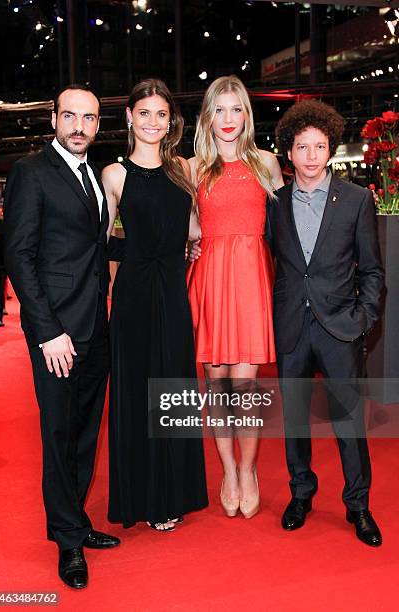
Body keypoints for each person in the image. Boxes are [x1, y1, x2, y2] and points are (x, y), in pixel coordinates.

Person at [4, 84, 120, 590]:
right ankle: (67, 541)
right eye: (70, 116)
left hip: (95, 324)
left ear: (97, 124)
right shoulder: (32, 172)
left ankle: (76, 520)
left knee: (84, 431)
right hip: (56, 332)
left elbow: (92, 250)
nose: (79, 126)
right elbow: (19, 256)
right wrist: (48, 331)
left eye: (89, 118)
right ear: (53, 118)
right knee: (57, 434)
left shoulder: (93, 175)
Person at [268, 99, 384, 546]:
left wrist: (364, 318)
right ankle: (302, 493)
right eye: (302, 146)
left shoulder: (357, 198)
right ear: (289, 153)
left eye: (319, 146)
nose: (312, 155)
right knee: (295, 418)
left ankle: (358, 506)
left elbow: (372, 270)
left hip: (341, 328)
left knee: (349, 423)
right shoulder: (273, 203)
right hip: (292, 327)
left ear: (331, 149)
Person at [102, 79, 208, 532]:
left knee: (174, 386)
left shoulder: (183, 168)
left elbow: (195, 229)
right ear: (129, 117)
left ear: (170, 123)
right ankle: (141, 497)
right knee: (136, 388)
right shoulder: (114, 174)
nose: (152, 122)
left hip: (173, 289)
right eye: (143, 113)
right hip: (133, 295)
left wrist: (190, 249)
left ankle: (173, 493)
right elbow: (101, 240)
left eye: (160, 114)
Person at [186, 75, 284, 519]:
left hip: (250, 282)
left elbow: (286, 233)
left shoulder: (267, 163)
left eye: (236, 109)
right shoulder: (191, 168)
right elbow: (185, 227)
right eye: (219, 110)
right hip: (209, 280)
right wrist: (188, 242)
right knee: (218, 389)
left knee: (245, 390)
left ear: (247, 114)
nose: (228, 119)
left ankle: (248, 470)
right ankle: (226, 470)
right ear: (208, 116)